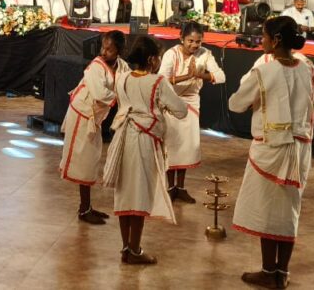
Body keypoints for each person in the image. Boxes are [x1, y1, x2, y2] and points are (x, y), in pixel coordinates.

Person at [228, 16, 314, 289]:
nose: (262, 40)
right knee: (289, 210)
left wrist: (255, 102)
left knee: (268, 210)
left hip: (271, 148)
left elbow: (236, 103)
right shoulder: (308, 68)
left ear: (277, 39)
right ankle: (282, 271)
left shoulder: (263, 71)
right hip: (300, 148)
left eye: (265, 35)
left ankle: (269, 271)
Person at [102, 35, 188, 265]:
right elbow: (181, 111)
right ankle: (134, 249)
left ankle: (126, 248)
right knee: (139, 194)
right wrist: (161, 107)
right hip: (144, 140)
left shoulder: (122, 78)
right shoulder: (157, 82)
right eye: (158, 57)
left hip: (122, 137)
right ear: (151, 60)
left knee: (124, 193)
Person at [59, 31, 130, 224]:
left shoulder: (122, 66)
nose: (104, 52)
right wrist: (121, 96)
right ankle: (84, 210)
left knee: (91, 161)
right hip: (82, 115)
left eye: (109, 49)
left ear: (119, 51)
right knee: (84, 162)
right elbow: (100, 94)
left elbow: (128, 83)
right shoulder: (95, 67)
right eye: (103, 48)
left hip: (94, 117)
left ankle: (87, 206)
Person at [158, 22, 225, 203]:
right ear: (181, 38)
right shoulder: (171, 54)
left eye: (198, 41)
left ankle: (180, 188)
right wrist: (187, 76)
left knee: (187, 147)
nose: (194, 45)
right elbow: (161, 80)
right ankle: (170, 187)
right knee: (171, 145)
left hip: (192, 102)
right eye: (190, 41)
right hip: (172, 102)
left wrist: (200, 75)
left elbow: (221, 77)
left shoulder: (205, 54)